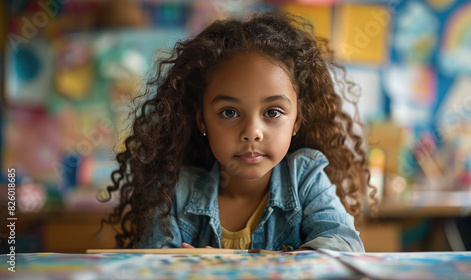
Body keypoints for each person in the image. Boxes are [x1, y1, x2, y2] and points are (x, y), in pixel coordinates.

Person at [100, 11, 376, 252]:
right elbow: (151, 269)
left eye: (273, 112)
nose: (252, 132)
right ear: (202, 121)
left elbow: (344, 245)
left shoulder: (306, 179)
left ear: (297, 121)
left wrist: (239, 264)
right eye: (229, 112)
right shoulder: (173, 191)